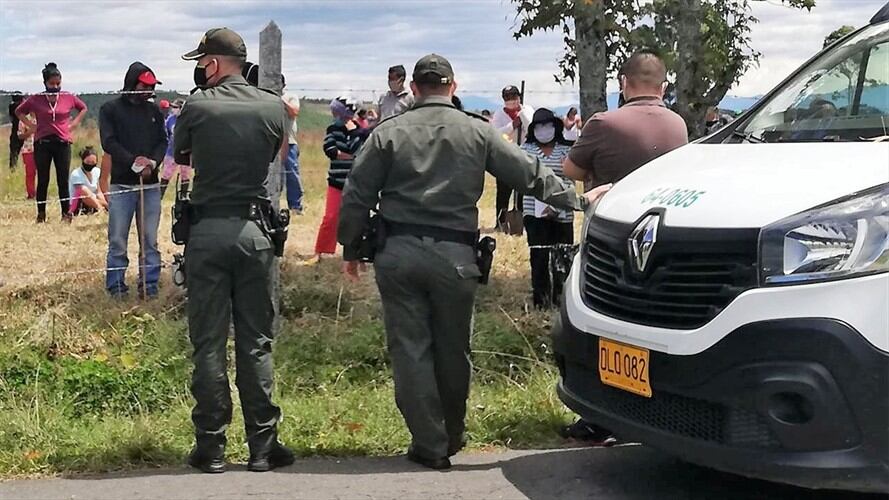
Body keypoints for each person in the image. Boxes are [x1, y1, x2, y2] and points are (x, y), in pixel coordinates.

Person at [337, 54, 610, 470]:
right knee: (453, 348)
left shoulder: (387, 133)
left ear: (413, 88)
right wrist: (575, 200)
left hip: (398, 253)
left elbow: (357, 193)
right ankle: (452, 434)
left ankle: (428, 442)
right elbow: (528, 172)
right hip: (456, 256)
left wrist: (351, 248)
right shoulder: (477, 132)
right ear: (454, 85)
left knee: (410, 349)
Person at [176, 27, 293, 474]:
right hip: (254, 231)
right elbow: (273, 152)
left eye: (201, 62)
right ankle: (263, 446)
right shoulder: (271, 106)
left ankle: (211, 447)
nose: (199, 70)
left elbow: (181, 153)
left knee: (207, 342)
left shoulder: (198, 104)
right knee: (256, 342)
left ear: (215, 62)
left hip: (207, 230)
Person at [561, 51, 688, 445]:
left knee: (606, 327)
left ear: (623, 83)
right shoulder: (678, 124)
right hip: (664, 241)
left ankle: (601, 416)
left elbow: (570, 170)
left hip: (609, 237)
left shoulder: (604, 123)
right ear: (663, 87)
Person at [99, 61, 167, 299]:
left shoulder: (155, 111)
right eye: (144, 86)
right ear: (132, 84)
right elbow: (109, 142)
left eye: (151, 87)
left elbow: (163, 142)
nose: (148, 91)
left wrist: (152, 163)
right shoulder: (110, 110)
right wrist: (133, 162)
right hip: (121, 185)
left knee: (150, 239)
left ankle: (149, 285)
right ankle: (116, 287)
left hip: (150, 186)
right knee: (117, 239)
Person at [15, 63, 88, 223]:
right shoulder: (37, 98)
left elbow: (83, 108)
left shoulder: (67, 96)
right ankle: (41, 214)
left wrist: (74, 124)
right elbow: (19, 111)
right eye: (52, 84)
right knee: (43, 179)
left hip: (62, 143)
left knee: (63, 179)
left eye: (58, 84)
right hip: (43, 143)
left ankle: (66, 214)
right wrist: (31, 125)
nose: (55, 87)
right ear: (45, 83)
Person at [521, 108, 575, 309]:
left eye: (548, 125)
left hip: (563, 210)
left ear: (556, 127)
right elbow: (521, 179)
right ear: (534, 129)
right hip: (534, 211)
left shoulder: (566, 150)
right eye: (539, 126)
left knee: (563, 255)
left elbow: (571, 178)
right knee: (539, 255)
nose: (544, 130)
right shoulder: (525, 150)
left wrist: (558, 206)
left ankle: (562, 300)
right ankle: (541, 300)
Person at [305, 96, 366, 264]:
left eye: (337, 112)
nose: (334, 116)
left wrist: (352, 133)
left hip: (354, 183)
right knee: (330, 218)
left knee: (356, 219)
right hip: (336, 181)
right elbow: (330, 149)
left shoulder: (359, 131)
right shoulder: (332, 129)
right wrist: (348, 156)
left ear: (346, 114)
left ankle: (357, 256)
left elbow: (357, 149)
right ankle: (321, 251)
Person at [491, 85, 534, 230]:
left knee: (523, 192)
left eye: (514, 97)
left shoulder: (527, 110)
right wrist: (512, 125)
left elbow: (532, 129)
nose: (511, 100)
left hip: (523, 156)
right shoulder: (499, 114)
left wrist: (522, 115)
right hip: (505, 158)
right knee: (503, 192)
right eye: (508, 98)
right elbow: (497, 134)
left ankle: (522, 221)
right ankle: (500, 222)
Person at [160, 98, 193, 200]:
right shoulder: (170, 119)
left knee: (185, 174)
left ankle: (183, 195)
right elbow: (167, 134)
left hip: (185, 152)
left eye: (175, 107)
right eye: (172, 107)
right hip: (171, 152)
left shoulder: (189, 120)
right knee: (166, 174)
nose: (173, 109)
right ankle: (160, 195)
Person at [281, 75, 303, 214]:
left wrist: (280, 100)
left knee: (292, 173)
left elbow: (294, 111)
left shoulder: (290, 97)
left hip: (289, 142)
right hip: (272, 141)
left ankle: (295, 206)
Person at [68, 146, 106, 216]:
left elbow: (99, 192)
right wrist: (101, 204)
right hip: (79, 205)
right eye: (88, 162)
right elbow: (82, 192)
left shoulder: (97, 171)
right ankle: (101, 209)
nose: (90, 164)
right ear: (83, 160)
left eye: (93, 162)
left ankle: (105, 208)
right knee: (83, 190)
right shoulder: (76, 174)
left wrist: (104, 203)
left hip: (94, 202)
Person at [17, 113, 37, 199]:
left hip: (42, 149)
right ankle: (31, 193)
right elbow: (20, 135)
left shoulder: (43, 117)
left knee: (43, 172)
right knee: (30, 173)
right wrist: (30, 132)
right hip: (28, 149)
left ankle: (41, 193)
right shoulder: (24, 119)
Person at [8, 92, 24, 170]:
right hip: (25, 130)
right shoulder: (22, 106)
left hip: (15, 131)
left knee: (14, 152)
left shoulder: (12, 106)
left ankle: (13, 168)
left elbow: (11, 118)